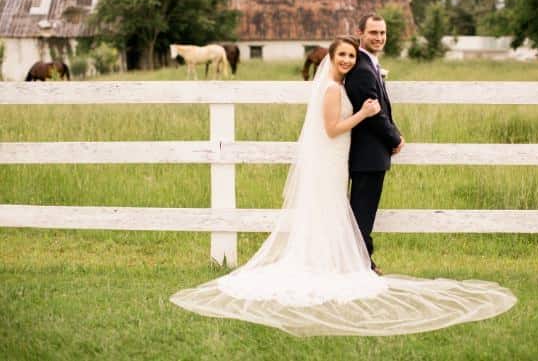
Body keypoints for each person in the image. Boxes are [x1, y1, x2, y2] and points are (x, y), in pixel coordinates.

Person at [170, 36, 516, 337]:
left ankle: (330, 261)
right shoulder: (333, 88)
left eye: (352, 55)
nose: (348, 60)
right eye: (342, 56)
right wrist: (365, 114)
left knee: (333, 209)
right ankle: (323, 265)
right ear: (331, 58)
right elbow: (333, 128)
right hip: (331, 156)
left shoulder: (341, 84)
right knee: (329, 207)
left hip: (337, 160)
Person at [344, 13, 403, 275]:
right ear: (360, 33)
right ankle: (363, 265)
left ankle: (362, 262)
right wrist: (395, 138)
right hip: (367, 154)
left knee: (362, 211)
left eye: (382, 33)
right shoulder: (361, 69)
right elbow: (374, 114)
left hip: (370, 154)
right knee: (362, 214)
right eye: (373, 33)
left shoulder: (369, 65)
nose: (379, 38)